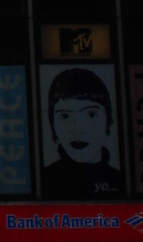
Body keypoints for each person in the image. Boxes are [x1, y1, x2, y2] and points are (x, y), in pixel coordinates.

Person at [40, 66, 122, 197]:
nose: (78, 129)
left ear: (108, 120)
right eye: (65, 116)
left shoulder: (121, 182)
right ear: (52, 124)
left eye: (91, 114)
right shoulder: (42, 182)